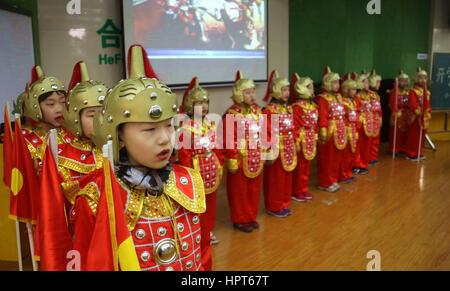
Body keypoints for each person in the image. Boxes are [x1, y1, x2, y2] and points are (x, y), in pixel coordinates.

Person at [73, 44, 206, 271]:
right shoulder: (96, 198)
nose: (165, 139)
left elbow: (202, 258)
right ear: (119, 136)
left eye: (168, 126)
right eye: (149, 130)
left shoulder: (188, 182)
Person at [177, 76, 225, 270]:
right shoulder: (185, 128)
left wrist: (219, 163)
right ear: (190, 105)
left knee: (211, 203)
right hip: (196, 171)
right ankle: (200, 233)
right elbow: (184, 156)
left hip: (211, 169)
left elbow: (218, 147)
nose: (203, 106)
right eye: (199, 103)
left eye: (205, 102)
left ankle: (209, 230)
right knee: (199, 206)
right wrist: (190, 177)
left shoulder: (211, 124)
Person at [57, 61, 108, 233]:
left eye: (104, 113)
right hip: (86, 230)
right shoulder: (64, 157)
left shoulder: (124, 147)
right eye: (92, 115)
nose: (100, 120)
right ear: (75, 119)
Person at [222, 70, 263, 232]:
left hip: (256, 156)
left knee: (253, 190)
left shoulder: (257, 111)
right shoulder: (232, 114)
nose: (252, 96)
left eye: (253, 92)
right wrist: (231, 159)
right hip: (240, 158)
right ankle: (240, 219)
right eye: (247, 93)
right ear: (239, 94)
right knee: (239, 191)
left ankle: (251, 216)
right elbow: (228, 139)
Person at [262, 70, 296, 217]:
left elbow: (292, 127)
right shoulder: (269, 111)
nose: (286, 93)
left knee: (286, 178)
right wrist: (269, 152)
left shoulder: (288, 108)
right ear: (276, 91)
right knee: (275, 180)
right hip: (276, 149)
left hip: (288, 147)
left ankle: (284, 203)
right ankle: (274, 206)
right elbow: (267, 133)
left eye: (288, 89)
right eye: (283, 90)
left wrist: (295, 141)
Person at [316, 66, 346, 192]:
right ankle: (325, 182)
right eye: (334, 82)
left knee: (336, 158)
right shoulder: (323, 99)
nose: (337, 85)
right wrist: (323, 131)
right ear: (328, 84)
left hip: (339, 130)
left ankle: (332, 179)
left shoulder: (339, 97)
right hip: (329, 132)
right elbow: (322, 116)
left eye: (337, 82)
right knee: (327, 158)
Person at [290, 73, 318, 202]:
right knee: (299, 168)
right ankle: (296, 191)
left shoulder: (313, 106)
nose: (313, 90)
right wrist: (296, 142)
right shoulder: (297, 107)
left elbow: (315, 124)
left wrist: (315, 137)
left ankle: (303, 189)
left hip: (310, 139)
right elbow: (294, 126)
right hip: (302, 140)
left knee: (306, 167)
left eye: (312, 87)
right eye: (310, 88)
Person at [405, 67, 431, 161]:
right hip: (415, 117)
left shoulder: (427, 92)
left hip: (424, 117)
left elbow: (428, 104)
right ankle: (411, 153)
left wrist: (427, 112)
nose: (422, 80)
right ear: (416, 79)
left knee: (422, 135)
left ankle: (419, 152)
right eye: (420, 78)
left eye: (424, 78)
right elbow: (412, 104)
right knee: (414, 136)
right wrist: (418, 112)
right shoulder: (413, 91)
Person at [340, 75, 360, 183]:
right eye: (352, 89)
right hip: (346, 131)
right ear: (346, 89)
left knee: (351, 153)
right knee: (345, 155)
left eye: (355, 89)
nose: (355, 91)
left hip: (353, 129)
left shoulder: (352, 101)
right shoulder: (342, 101)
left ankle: (348, 172)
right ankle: (343, 174)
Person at [354, 72, 372, 175]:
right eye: (365, 82)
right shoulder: (357, 97)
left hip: (368, 124)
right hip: (359, 125)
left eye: (368, 82)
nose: (367, 84)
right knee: (358, 146)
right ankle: (357, 165)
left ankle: (363, 163)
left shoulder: (368, 96)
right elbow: (354, 111)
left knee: (366, 145)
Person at [388, 70, 411, 155]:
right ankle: (394, 149)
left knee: (405, 133)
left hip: (406, 115)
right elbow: (391, 104)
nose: (404, 83)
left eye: (406, 81)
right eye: (402, 81)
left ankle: (402, 148)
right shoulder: (394, 92)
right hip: (397, 115)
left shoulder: (408, 91)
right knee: (396, 134)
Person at [368, 69, 383, 165]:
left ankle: (373, 157)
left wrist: (380, 118)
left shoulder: (376, 95)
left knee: (376, 140)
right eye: (377, 82)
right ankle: (369, 158)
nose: (379, 85)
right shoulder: (368, 95)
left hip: (377, 120)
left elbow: (379, 109)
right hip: (370, 120)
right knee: (369, 141)